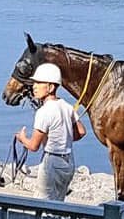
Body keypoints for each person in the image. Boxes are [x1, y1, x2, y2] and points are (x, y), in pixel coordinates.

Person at [15, 62, 87, 201]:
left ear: (50, 87)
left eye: (38, 83)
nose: (34, 87)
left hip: (51, 162)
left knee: (43, 204)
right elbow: (82, 131)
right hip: (68, 161)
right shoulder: (66, 106)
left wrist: (22, 138)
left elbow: (33, 146)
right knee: (59, 203)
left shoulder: (43, 111)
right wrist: (63, 137)